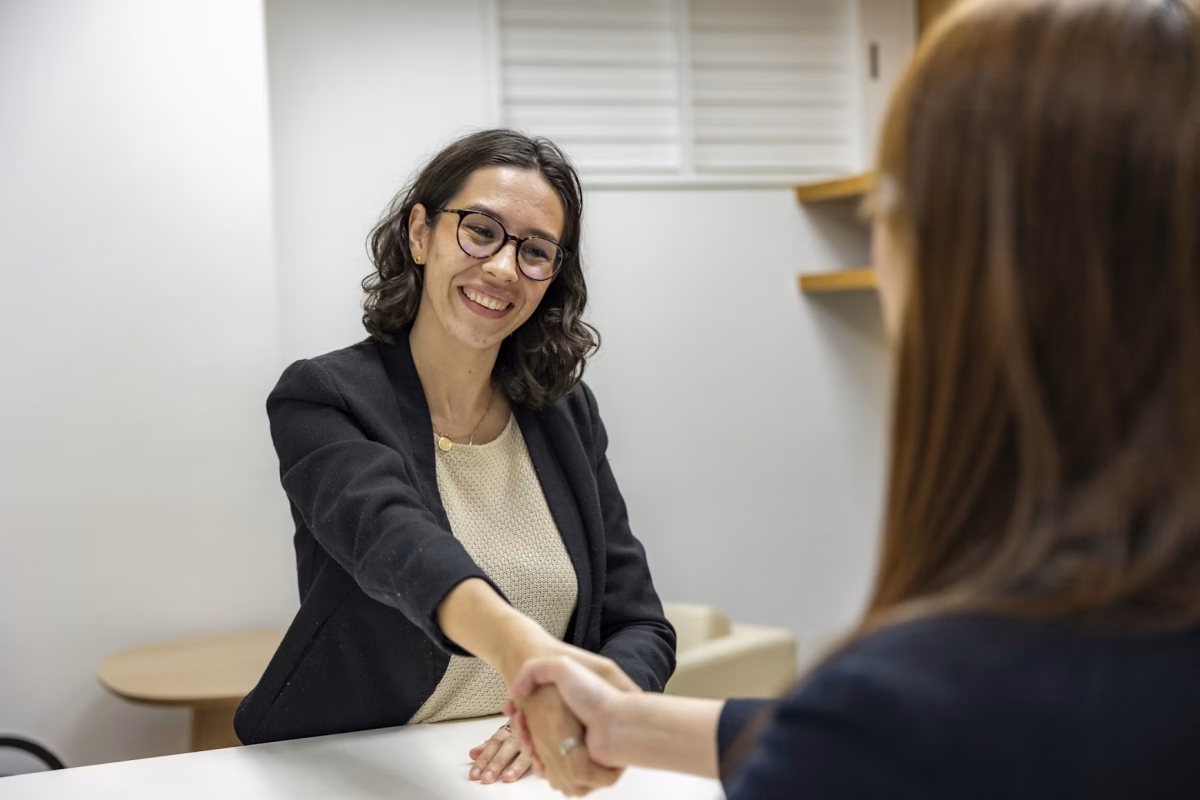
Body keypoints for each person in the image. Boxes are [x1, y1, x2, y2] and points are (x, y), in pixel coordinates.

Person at [506, 0, 1200, 797]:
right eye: (480, 233)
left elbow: (892, 734)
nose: (503, 268)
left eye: (885, 211)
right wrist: (631, 723)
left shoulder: (911, 706)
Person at [233, 129, 676, 789]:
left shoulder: (565, 414)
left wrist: (582, 712)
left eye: (535, 252)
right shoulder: (323, 397)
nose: (502, 267)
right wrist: (528, 655)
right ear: (420, 233)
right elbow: (398, 545)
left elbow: (639, 624)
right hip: (351, 769)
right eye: (480, 231)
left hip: (527, 772)